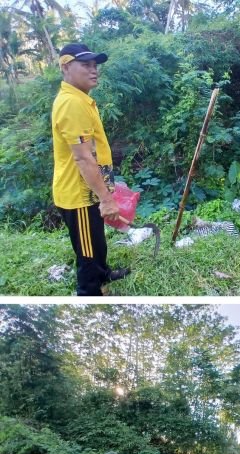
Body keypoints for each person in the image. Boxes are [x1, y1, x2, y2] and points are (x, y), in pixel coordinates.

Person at [52, 43, 129, 296]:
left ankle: (103, 273)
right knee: (87, 250)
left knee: (96, 239)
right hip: (79, 195)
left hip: (89, 190)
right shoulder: (72, 103)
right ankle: (89, 292)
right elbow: (83, 158)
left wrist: (105, 190)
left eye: (95, 65)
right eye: (85, 65)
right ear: (66, 67)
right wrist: (106, 199)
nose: (94, 70)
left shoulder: (81, 99)